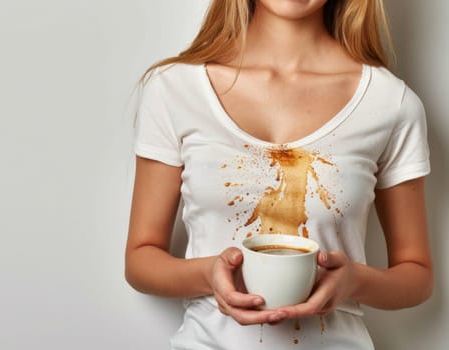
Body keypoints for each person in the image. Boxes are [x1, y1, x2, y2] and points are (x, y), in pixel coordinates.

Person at [124, 0, 433, 349]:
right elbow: (141, 258)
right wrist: (210, 274)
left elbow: (416, 274)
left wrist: (354, 281)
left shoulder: (391, 103)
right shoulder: (173, 89)